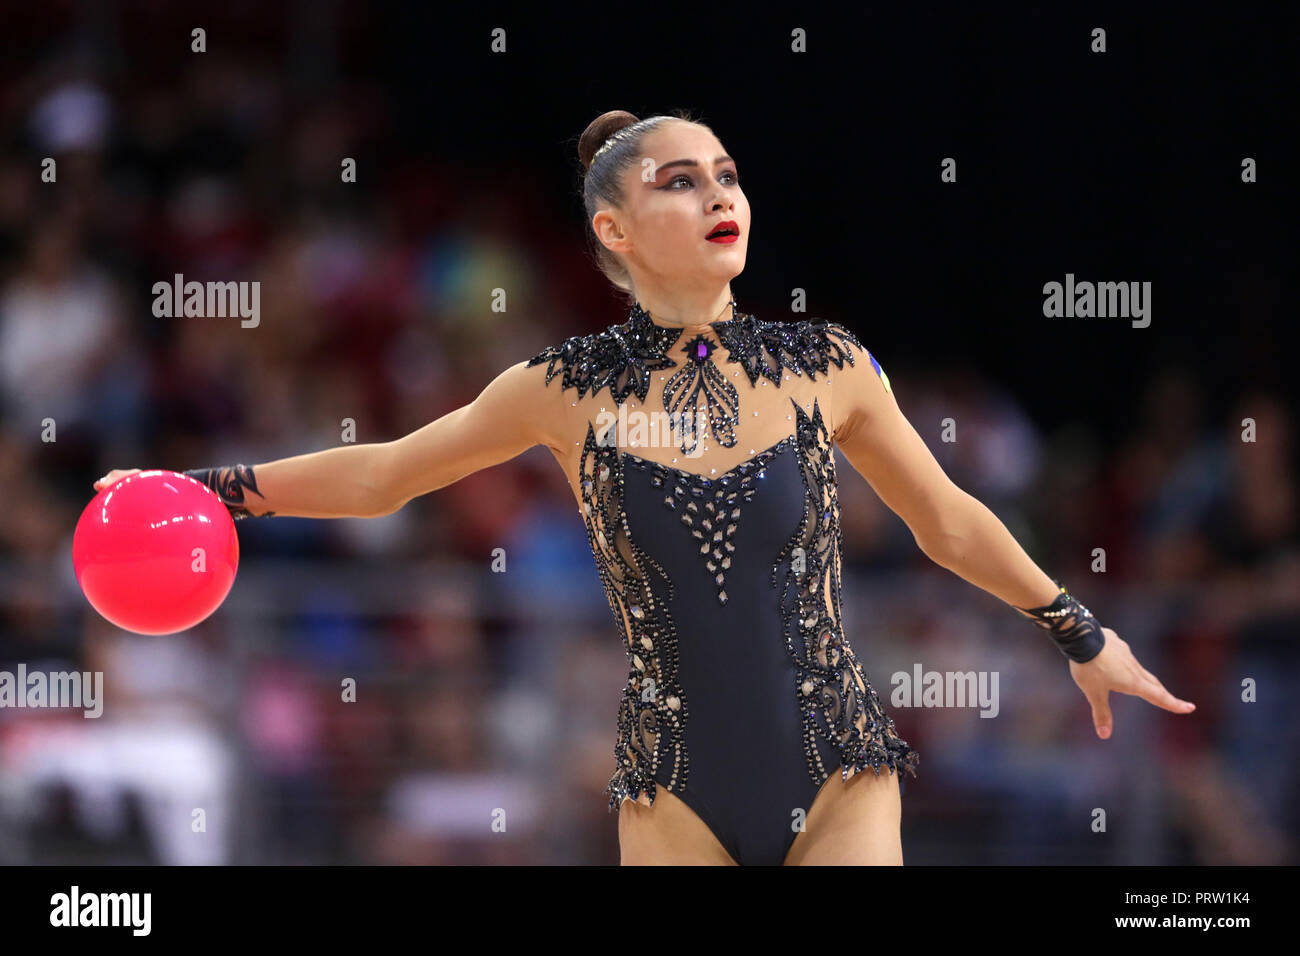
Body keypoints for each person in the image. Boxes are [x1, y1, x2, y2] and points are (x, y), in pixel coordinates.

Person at [93, 109, 1196, 866]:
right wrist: (205, 485)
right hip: (672, 787)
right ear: (611, 232)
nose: (721, 194)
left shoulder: (828, 364)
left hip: (839, 761)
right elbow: (385, 475)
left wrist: (1075, 627)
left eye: (726, 173)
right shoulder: (557, 388)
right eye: (682, 180)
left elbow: (945, 516)